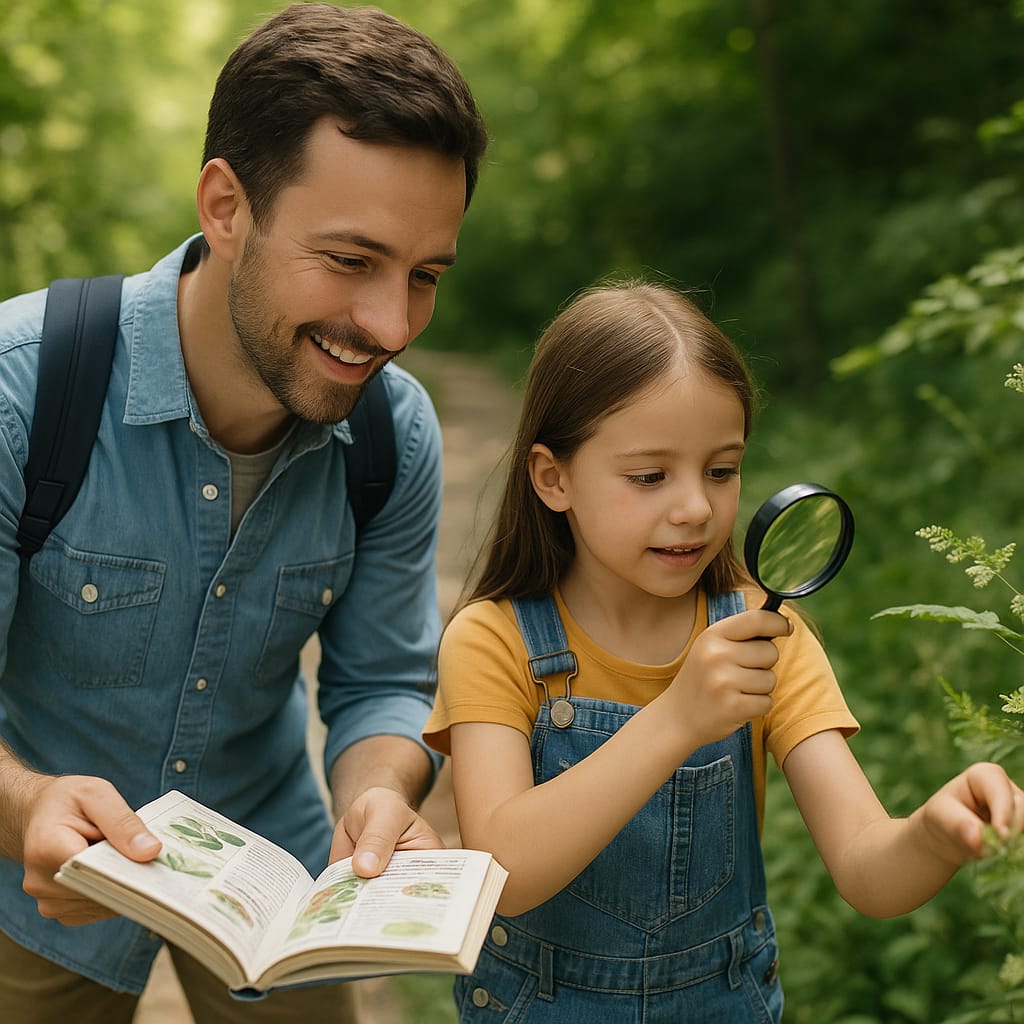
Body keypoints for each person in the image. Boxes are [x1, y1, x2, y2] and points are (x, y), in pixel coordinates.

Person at [0, 4, 487, 1022]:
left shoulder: (394, 437)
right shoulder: (21, 391)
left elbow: (382, 682)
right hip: (30, 886)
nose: (391, 325)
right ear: (226, 206)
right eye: (351, 261)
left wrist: (380, 793)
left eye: (425, 275)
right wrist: (26, 802)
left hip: (273, 875)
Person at [424, 279, 1024, 1022]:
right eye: (649, 476)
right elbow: (504, 871)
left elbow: (869, 872)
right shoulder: (494, 639)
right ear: (554, 478)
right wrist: (678, 718)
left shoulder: (767, 640)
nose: (696, 508)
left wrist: (933, 834)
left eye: (721, 469)